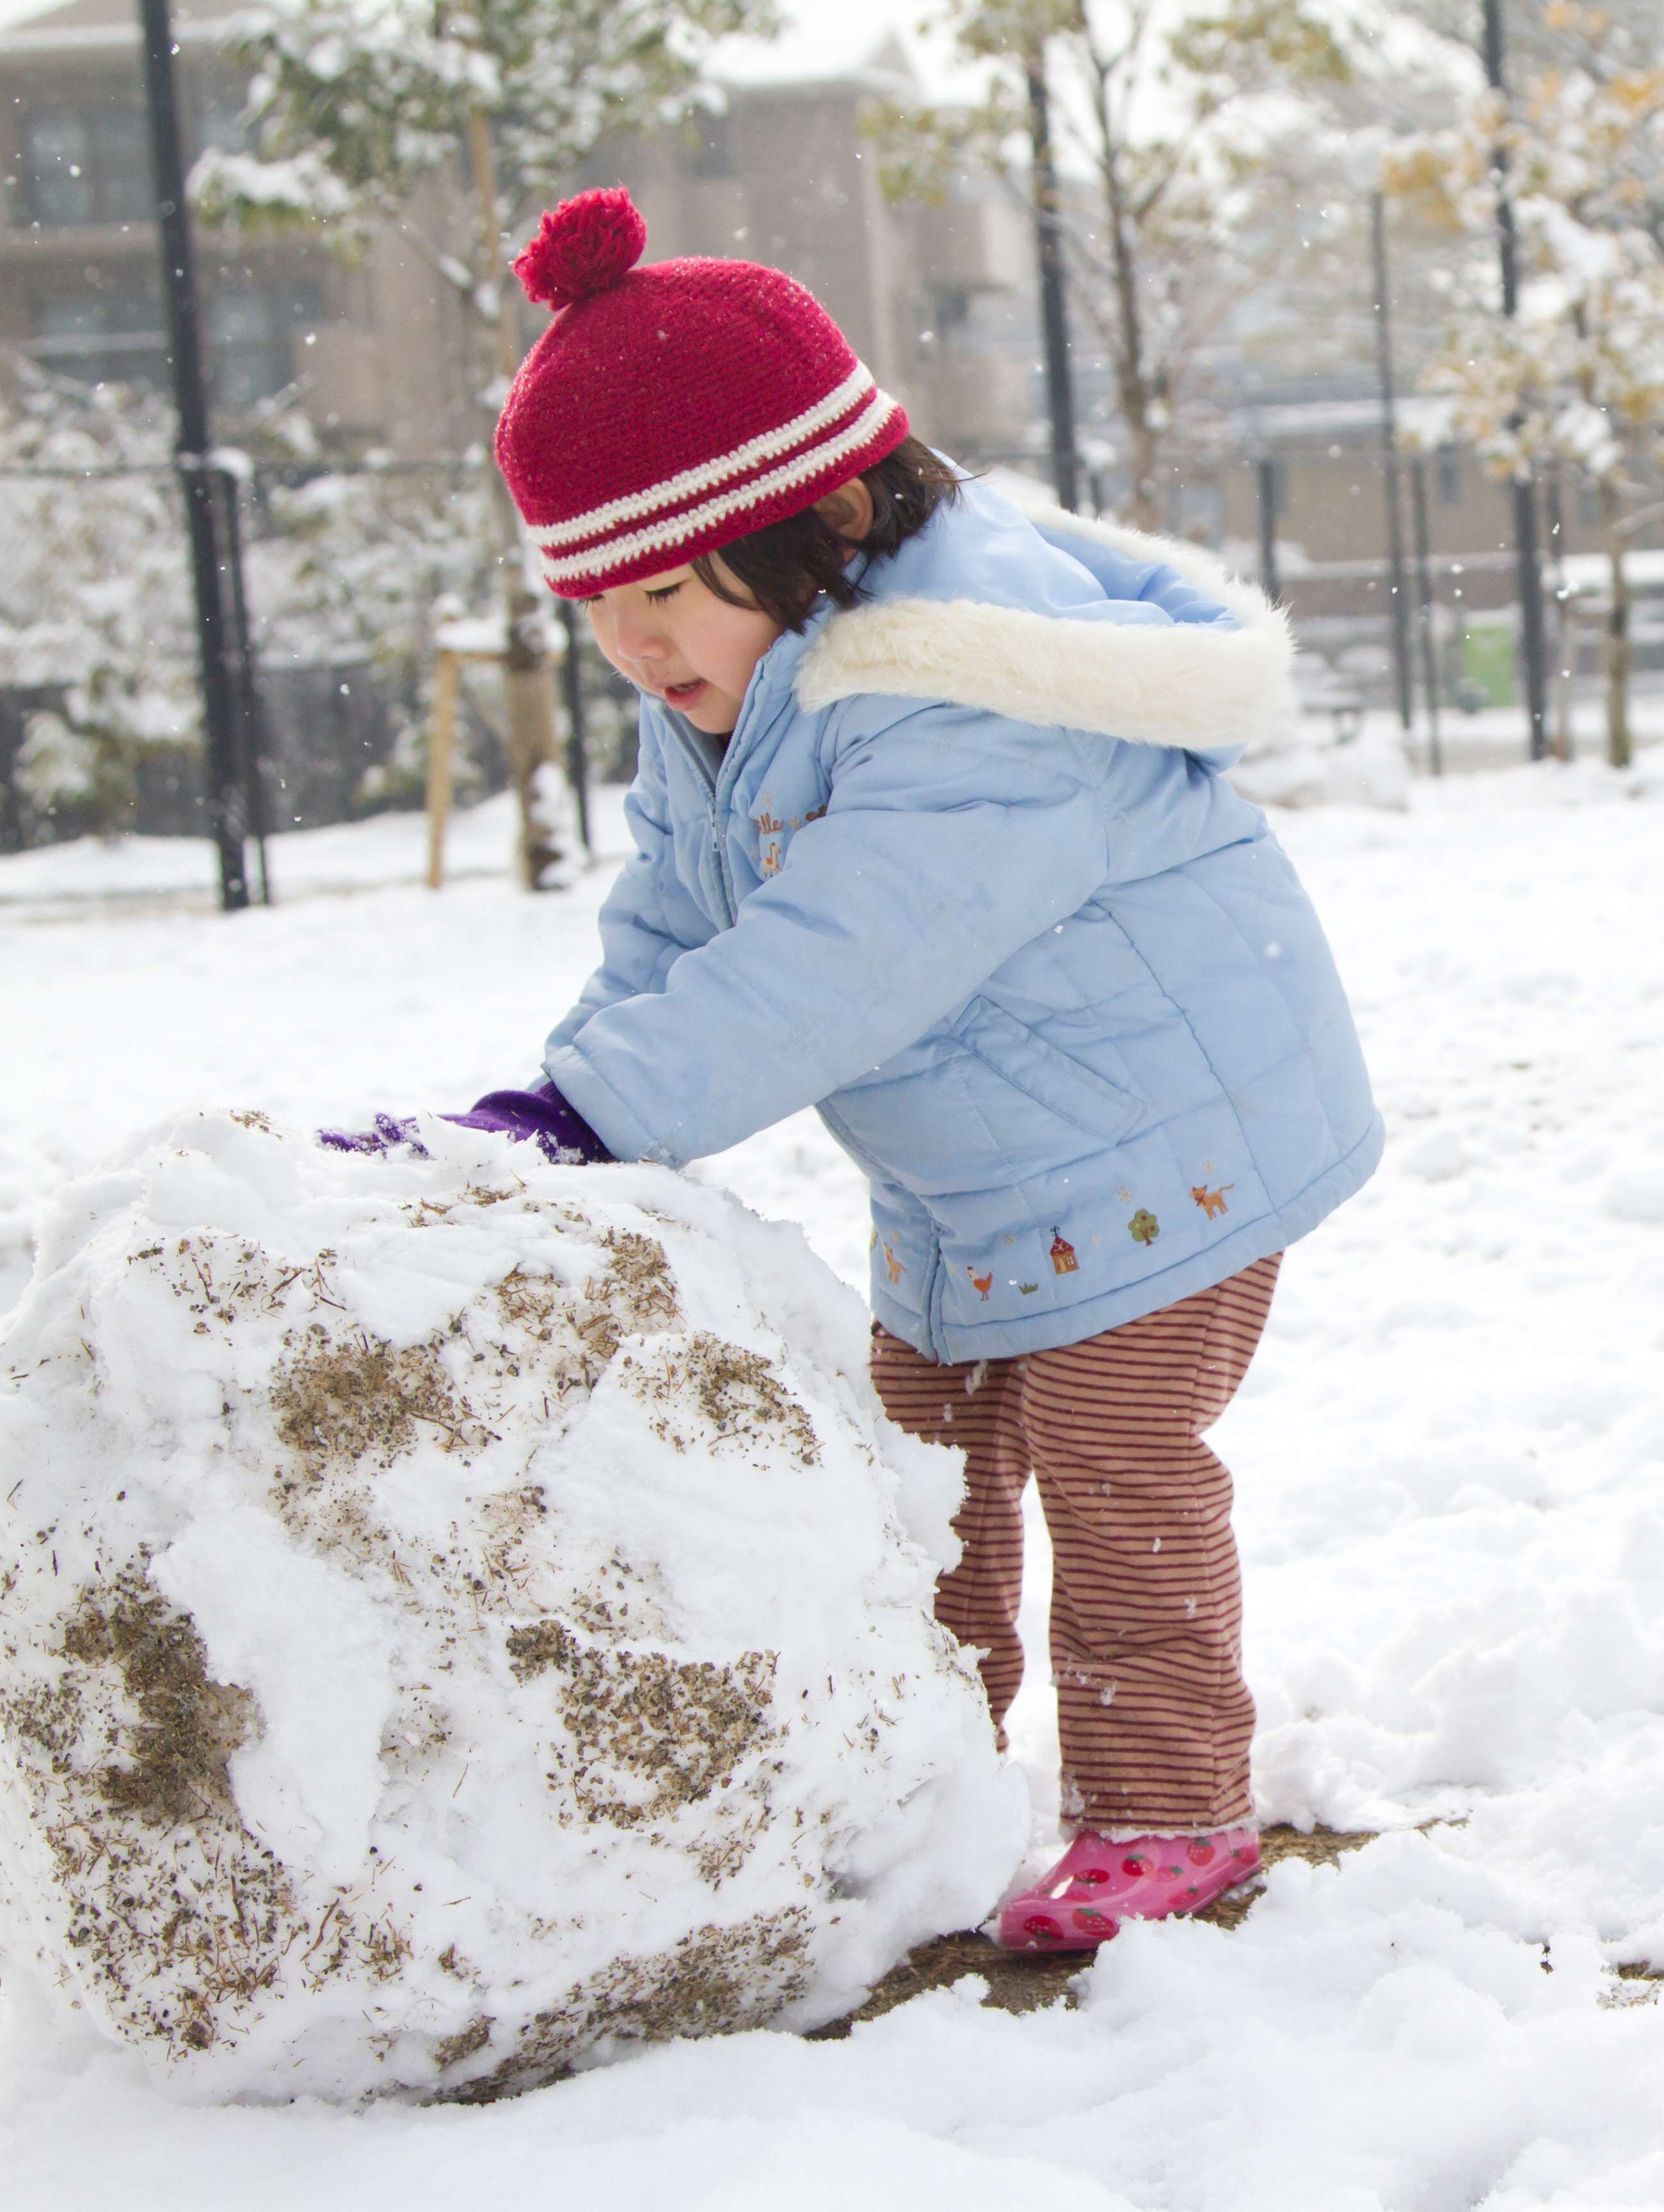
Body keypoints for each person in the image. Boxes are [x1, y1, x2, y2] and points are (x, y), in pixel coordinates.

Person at [355, 188, 1383, 1949]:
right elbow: (671, 931)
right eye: (598, 602)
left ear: (818, 517)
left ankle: (1165, 1808)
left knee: (1113, 1459)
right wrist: (553, 1111)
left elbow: (845, 958)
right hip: (982, 1170)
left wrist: (613, 1114)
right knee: (914, 1466)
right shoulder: (733, 691)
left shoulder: (971, 693)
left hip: (1165, 1145)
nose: (638, 643)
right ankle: (923, 1780)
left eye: (669, 588)